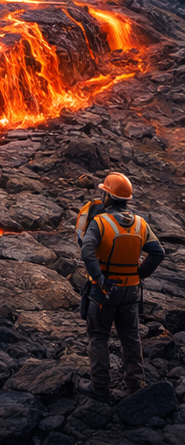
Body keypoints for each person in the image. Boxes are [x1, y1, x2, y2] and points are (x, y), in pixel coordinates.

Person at [78, 171, 165, 403]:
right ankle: (136, 384)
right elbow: (158, 252)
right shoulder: (140, 223)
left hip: (104, 291)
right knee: (131, 337)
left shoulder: (100, 222)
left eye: (103, 192)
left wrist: (99, 278)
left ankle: (99, 388)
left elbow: (86, 250)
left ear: (108, 197)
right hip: (131, 291)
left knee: (98, 337)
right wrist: (139, 273)